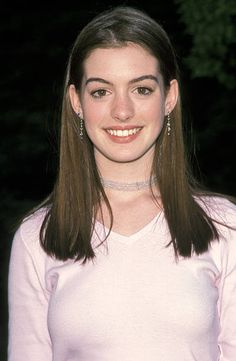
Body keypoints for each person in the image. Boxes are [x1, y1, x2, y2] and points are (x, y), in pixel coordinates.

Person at [8, 5, 236, 361]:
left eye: (142, 89)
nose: (123, 111)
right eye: (101, 92)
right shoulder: (37, 237)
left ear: (169, 97)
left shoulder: (226, 227)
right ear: (76, 102)